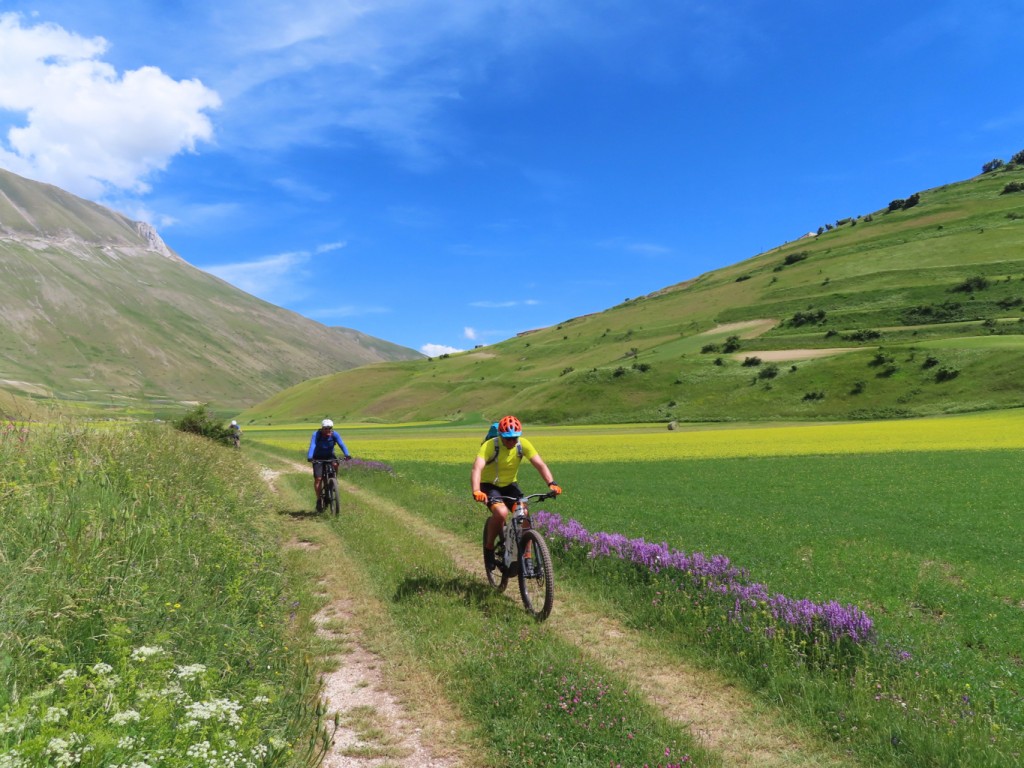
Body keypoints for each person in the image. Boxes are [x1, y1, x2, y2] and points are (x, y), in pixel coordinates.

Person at [470, 415, 561, 575]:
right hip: (489, 486)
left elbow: (540, 464)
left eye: (515, 438)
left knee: (524, 514)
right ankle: (489, 548)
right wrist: (477, 490)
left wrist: (551, 483)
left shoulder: (522, 444)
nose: (512, 442)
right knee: (501, 513)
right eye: (508, 438)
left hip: (510, 486)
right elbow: (477, 468)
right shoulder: (491, 445)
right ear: (501, 436)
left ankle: (527, 556)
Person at [306, 419, 351, 512]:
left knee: (335, 464)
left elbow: (341, 444)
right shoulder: (316, 434)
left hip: (330, 456)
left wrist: (347, 454)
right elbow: (313, 445)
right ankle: (319, 499)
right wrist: (310, 457)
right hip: (317, 457)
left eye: (329, 428)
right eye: (325, 428)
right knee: (318, 479)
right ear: (322, 428)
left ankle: (333, 480)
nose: (328, 430)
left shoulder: (334, 434)